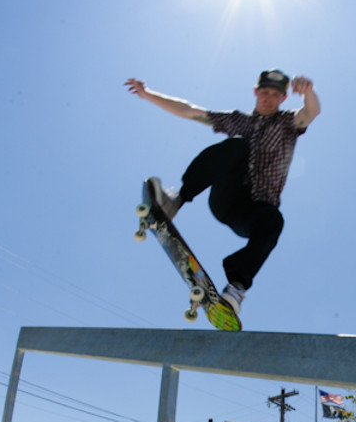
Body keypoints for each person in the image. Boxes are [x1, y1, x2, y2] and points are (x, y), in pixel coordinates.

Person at [125, 70, 321, 316]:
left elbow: (311, 112)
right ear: (255, 92)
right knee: (236, 146)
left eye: (275, 95)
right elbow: (189, 111)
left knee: (273, 220)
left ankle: (236, 288)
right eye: (264, 92)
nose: (268, 99)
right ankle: (175, 201)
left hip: (253, 212)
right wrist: (147, 94)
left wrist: (308, 92)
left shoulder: (287, 123)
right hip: (227, 200)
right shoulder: (238, 121)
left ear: (282, 99)